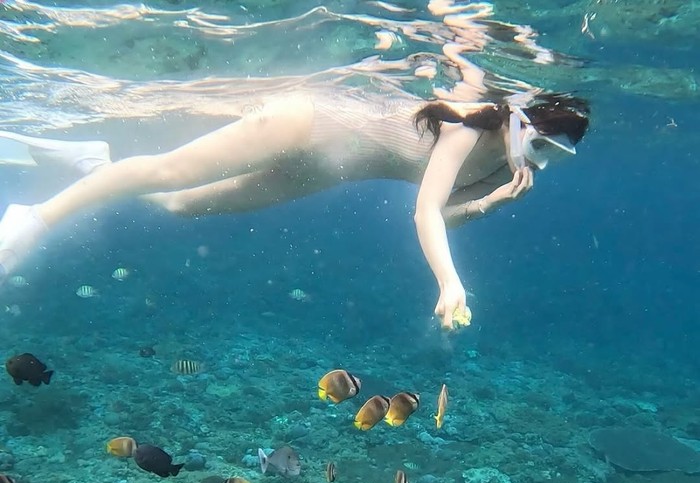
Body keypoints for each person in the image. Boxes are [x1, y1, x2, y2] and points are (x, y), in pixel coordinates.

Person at [0, 87, 589, 327]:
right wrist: (449, 282)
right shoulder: (468, 128)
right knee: (169, 170)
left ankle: (92, 163)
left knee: (179, 205)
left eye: (554, 160)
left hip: (328, 167)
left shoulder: (502, 167)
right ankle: (35, 217)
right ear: (520, 120)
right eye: (539, 146)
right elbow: (425, 214)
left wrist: (487, 205)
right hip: (305, 124)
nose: (536, 164)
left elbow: (444, 212)